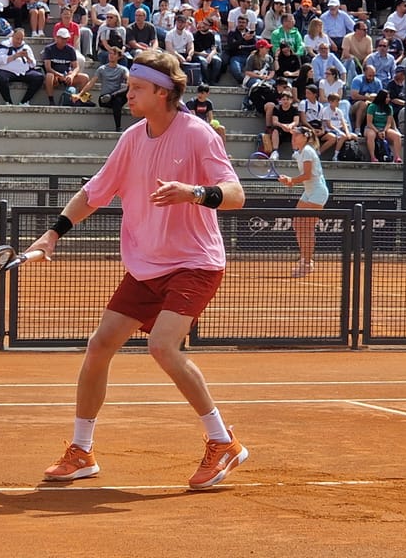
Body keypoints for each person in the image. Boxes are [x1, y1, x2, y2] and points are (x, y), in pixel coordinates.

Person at [26, 50, 248, 489]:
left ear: (163, 93)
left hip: (194, 262)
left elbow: (236, 194)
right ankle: (81, 450)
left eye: (137, 89)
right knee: (100, 345)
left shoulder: (199, 135)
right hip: (146, 266)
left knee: (162, 346)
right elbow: (94, 194)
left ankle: (222, 442)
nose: (128, 95)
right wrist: (53, 233)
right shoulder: (130, 138)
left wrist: (194, 193)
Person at [278, 126, 329, 277]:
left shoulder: (307, 151)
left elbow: (307, 175)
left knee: (306, 228)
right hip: (309, 191)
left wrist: (291, 181)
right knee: (298, 224)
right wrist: (288, 180)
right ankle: (305, 259)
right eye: (292, 136)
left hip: (318, 193)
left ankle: (307, 263)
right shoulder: (299, 153)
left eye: (296, 136)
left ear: (305, 137)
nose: (293, 138)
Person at [74, 45, 130, 130]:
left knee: (120, 97)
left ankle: (118, 127)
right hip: (104, 99)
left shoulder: (122, 69)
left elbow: (129, 80)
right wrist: (80, 94)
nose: (111, 55)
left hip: (116, 97)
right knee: (116, 101)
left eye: (114, 54)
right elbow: (91, 83)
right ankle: (118, 127)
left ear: (118, 57)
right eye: (110, 53)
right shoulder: (102, 69)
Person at [0, 28, 44, 105]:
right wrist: (15, 56)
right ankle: (8, 102)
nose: (19, 41)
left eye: (21, 39)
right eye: (17, 39)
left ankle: (24, 101)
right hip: (7, 71)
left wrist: (27, 57)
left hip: (23, 72)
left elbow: (33, 64)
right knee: (0, 78)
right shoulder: (4, 45)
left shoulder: (26, 47)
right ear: (13, 36)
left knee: (39, 77)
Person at [42, 28, 89, 105]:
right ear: (57, 38)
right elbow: (48, 68)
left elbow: (76, 67)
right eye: (62, 38)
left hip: (67, 76)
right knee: (49, 76)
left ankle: (80, 99)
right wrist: (59, 75)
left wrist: (71, 75)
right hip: (55, 77)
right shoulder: (49, 49)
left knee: (85, 77)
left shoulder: (71, 49)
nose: (64, 41)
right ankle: (51, 100)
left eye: (66, 39)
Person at [186, 83, 228, 148]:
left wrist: (211, 124)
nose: (200, 95)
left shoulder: (208, 103)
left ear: (207, 93)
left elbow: (211, 118)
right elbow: (194, 118)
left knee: (222, 129)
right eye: (199, 92)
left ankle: (223, 152)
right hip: (194, 125)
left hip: (205, 125)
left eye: (202, 93)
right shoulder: (192, 102)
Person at [365, 89, 402, 163]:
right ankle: (373, 157)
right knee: (371, 135)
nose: (389, 99)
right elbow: (369, 123)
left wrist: (384, 131)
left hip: (384, 128)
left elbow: (389, 123)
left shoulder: (389, 108)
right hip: (372, 127)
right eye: (387, 97)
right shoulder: (372, 107)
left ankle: (397, 157)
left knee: (397, 136)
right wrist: (378, 131)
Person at [268, 88, 298, 160]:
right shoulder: (277, 108)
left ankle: (295, 152)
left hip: (290, 129)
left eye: (287, 99)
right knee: (275, 130)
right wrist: (283, 126)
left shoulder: (294, 109)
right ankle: (275, 152)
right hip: (280, 129)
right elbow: (275, 122)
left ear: (291, 100)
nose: (285, 101)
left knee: (296, 130)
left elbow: (296, 121)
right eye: (283, 99)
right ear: (280, 100)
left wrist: (290, 126)